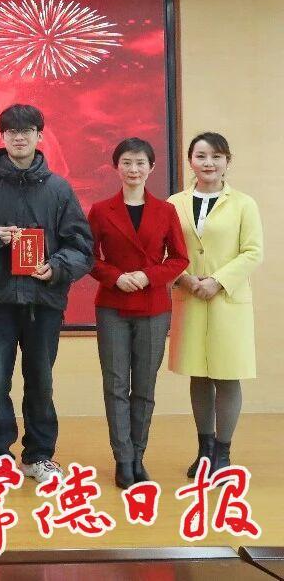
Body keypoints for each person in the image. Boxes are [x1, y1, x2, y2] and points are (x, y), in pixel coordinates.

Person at [0, 104, 93, 486]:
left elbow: (81, 246)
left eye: (27, 130)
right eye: (12, 131)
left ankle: (39, 456)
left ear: (39, 135)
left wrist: (56, 267)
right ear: (2, 137)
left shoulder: (59, 189)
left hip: (43, 301)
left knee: (41, 381)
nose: (19, 137)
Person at [87, 138, 189, 488]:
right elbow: (88, 257)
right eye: (127, 162)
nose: (133, 169)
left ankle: (138, 456)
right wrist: (116, 276)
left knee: (144, 386)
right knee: (116, 384)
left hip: (153, 306)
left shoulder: (166, 211)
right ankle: (123, 458)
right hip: (112, 306)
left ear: (151, 168)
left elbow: (179, 258)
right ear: (116, 167)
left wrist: (148, 276)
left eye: (140, 163)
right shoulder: (101, 210)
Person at [168, 132, 262, 474]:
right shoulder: (174, 203)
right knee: (199, 375)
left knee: (227, 375)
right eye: (201, 156)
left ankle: (223, 453)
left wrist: (218, 280)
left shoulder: (243, 204)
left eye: (216, 156)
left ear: (227, 161)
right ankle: (204, 450)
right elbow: (165, 250)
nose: (209, 163)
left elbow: (252, 251)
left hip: (228, 300)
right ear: (190, 161)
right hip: (190, 297)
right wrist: (185, 278)